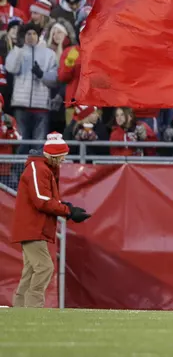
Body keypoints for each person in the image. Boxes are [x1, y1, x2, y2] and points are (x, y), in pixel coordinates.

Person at [10, 133, 90, 307]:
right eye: (62, 157)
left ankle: (20, 308)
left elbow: (45, 199)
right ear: (53, 156)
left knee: (31, 270)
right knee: (45, 267)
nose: (63, 161)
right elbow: (42, 200)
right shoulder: (38, 169)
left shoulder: (42, 168)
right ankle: (33, 308)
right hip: (33, 228)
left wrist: (68, 208)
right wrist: (68, 211)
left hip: (33, 227)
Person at [4, 22, 58, 145]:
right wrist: (18, 48)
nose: (31, 36)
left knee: (39, 145)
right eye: (28, 33)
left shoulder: (49, 54)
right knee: (21, 143)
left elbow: (55, 79)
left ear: (38, 36)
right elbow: (11, 68)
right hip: (21, 105)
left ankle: (36, 165)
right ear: (24, 35)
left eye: (34, 33)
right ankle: (21, 165)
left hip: (41, 107)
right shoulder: (17, 51)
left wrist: (41, 75)